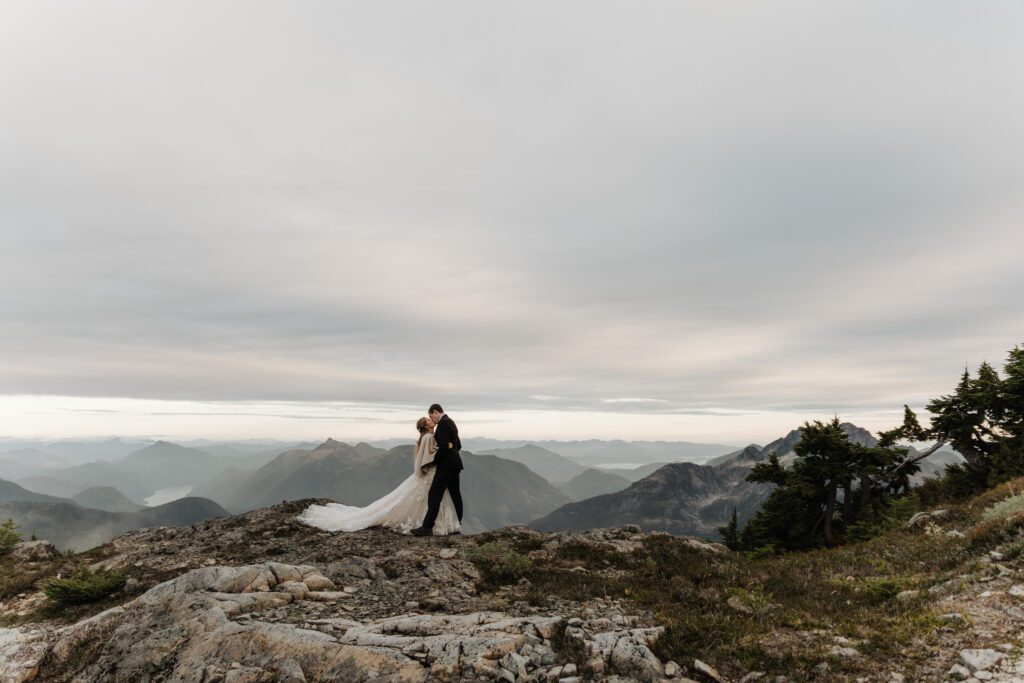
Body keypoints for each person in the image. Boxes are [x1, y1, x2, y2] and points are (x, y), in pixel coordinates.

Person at [295, 416, 460, 535]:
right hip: (431, 473)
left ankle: (429, 524)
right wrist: (447, 447)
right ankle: (431, 524)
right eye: (429, 420)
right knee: (427, 498)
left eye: (431, 418)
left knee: (427, 498)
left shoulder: (427, 437)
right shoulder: (429, 437)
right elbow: (429, 455)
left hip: (433, 473)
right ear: (425, 426)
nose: (432, 420)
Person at [411, 404, 463, 536]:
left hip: (446, 466)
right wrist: (450, 447)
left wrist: (434, 461)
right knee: (455, 494)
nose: (431, 418)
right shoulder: (450, 422)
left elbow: (444, 447)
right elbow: (458, 445)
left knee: (434, 493)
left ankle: (427, 527)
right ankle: (457, 525)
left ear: (435, 412)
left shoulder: (443, 424)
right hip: (455, 464)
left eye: (431, 416)